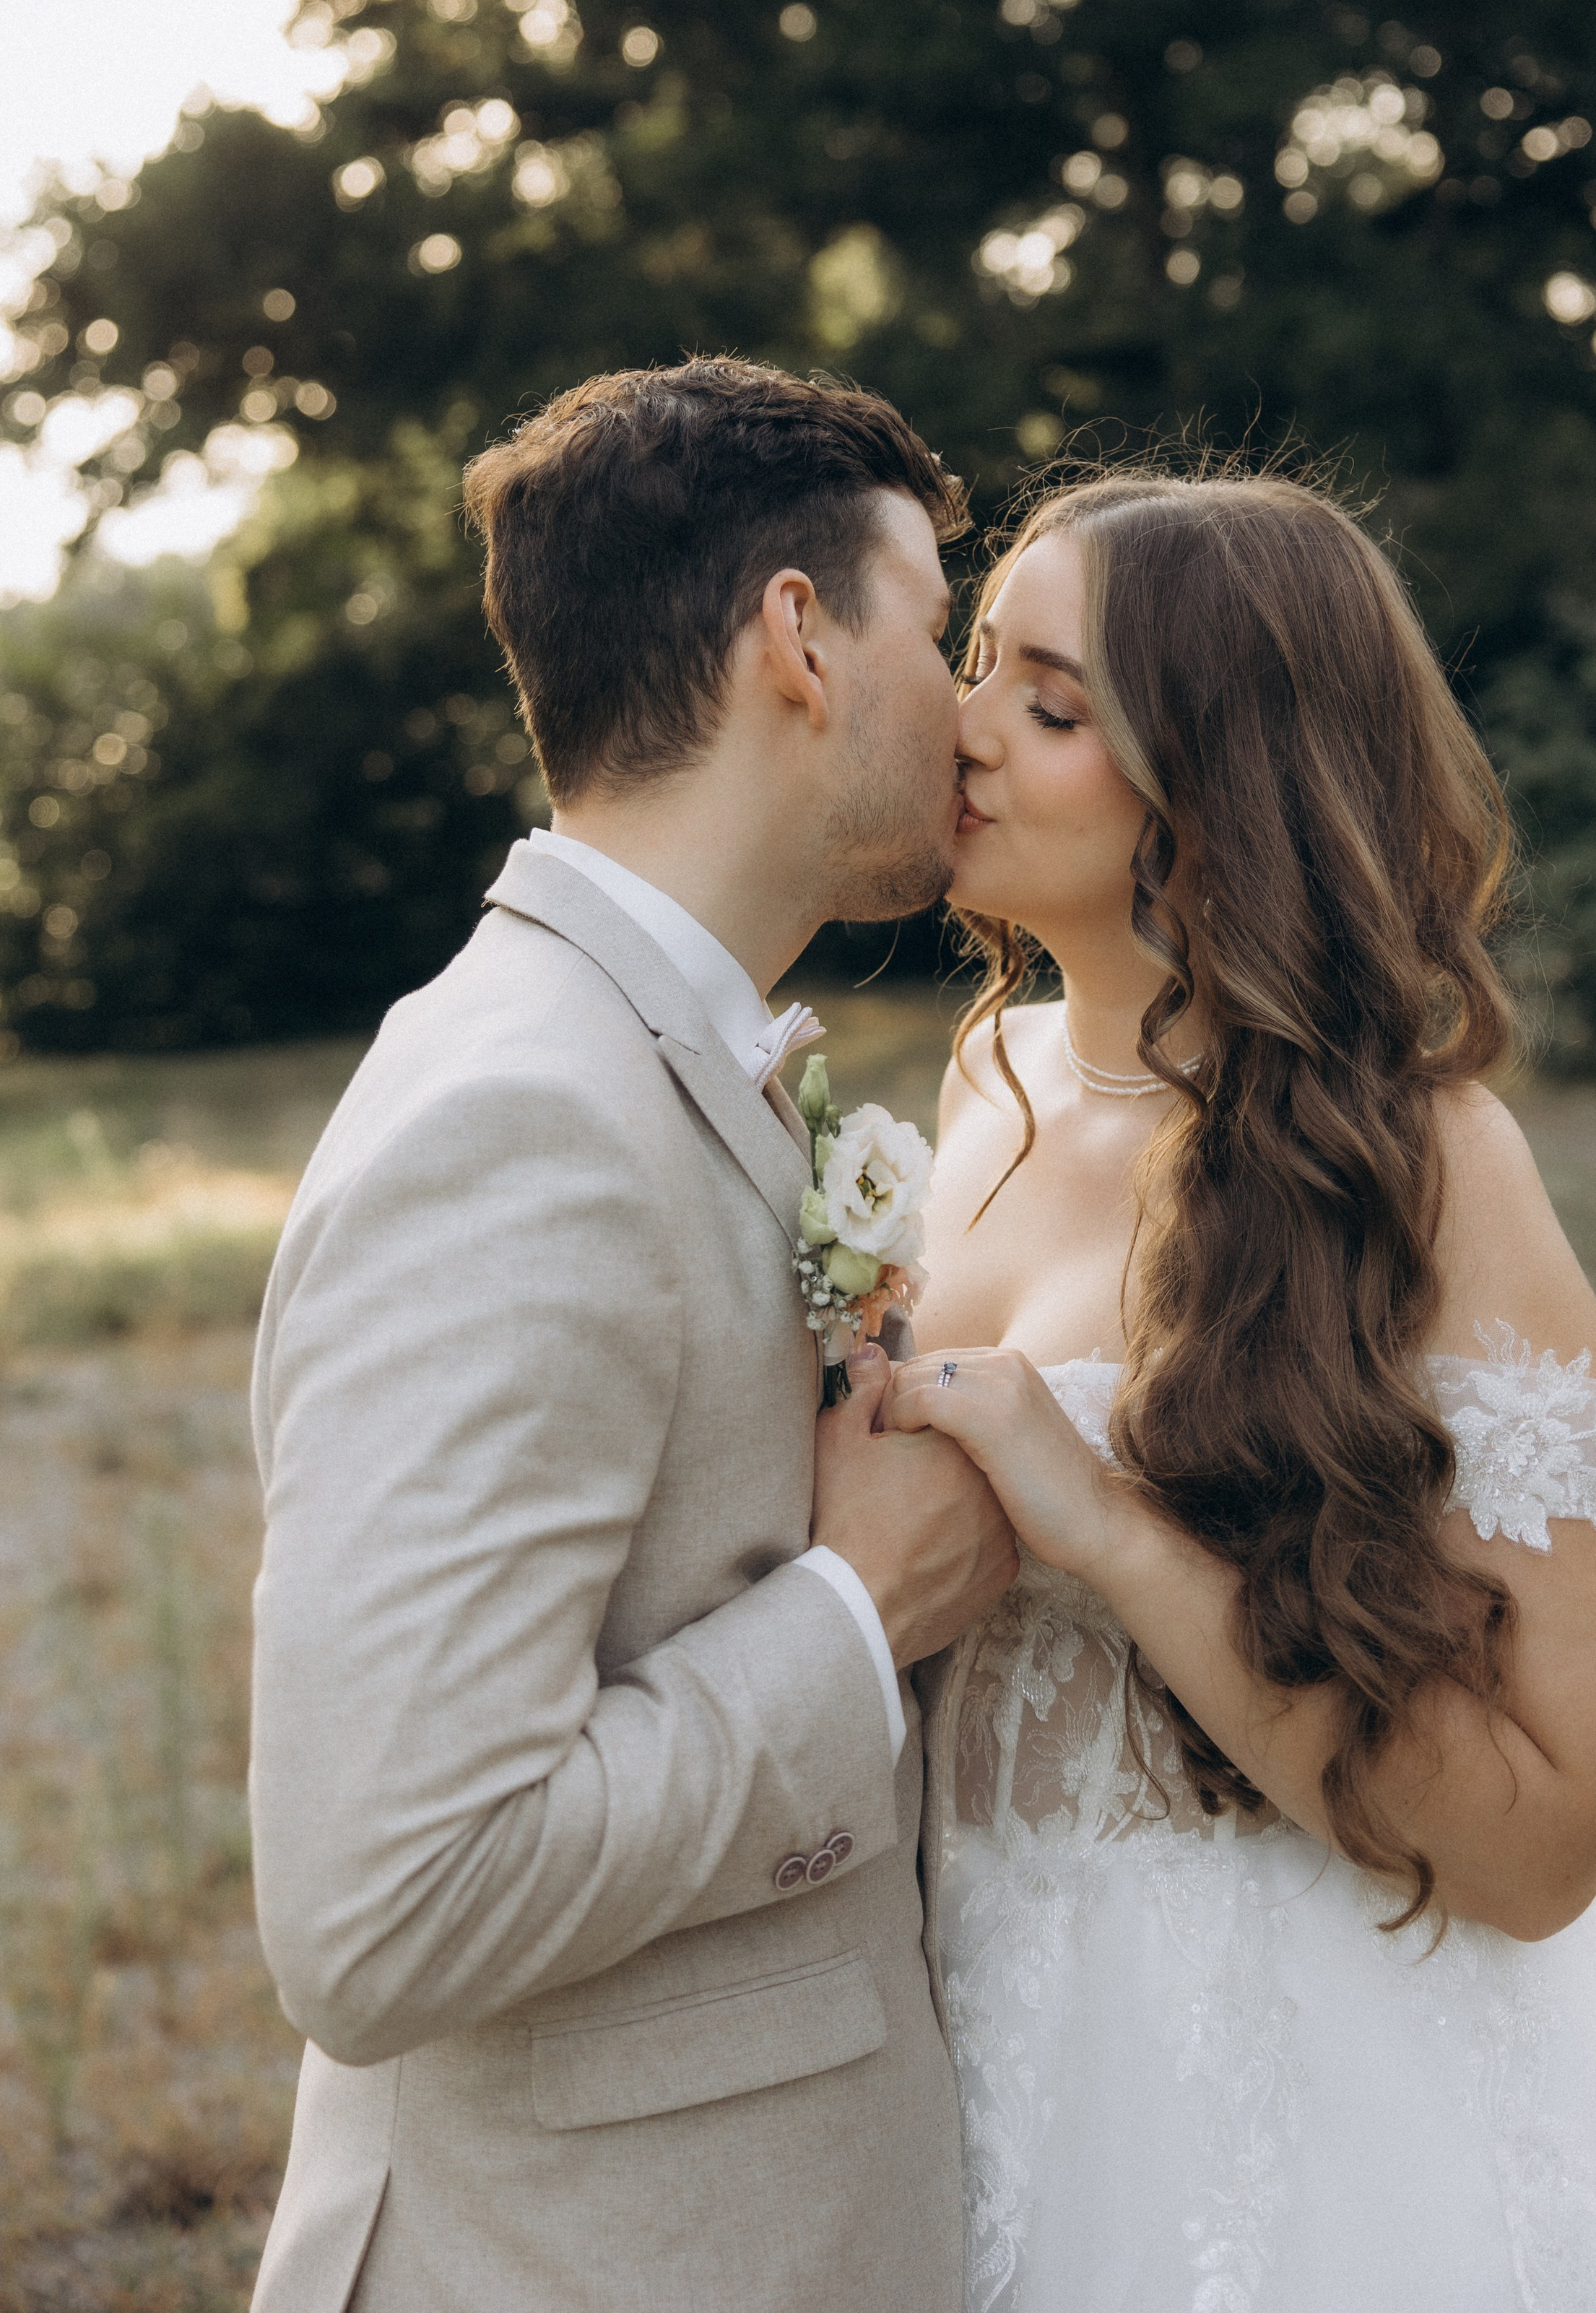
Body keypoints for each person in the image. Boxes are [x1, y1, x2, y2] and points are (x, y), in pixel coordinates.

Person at [852, 464, 1596, 2312]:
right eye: (980, 661)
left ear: (1218, 799)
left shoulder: (1427, 1173)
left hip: (1313, 2099)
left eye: (1048, 706)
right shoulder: (982, 1087)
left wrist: (1116, 1537)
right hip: (971, 2045)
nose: (960, 728)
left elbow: (1544, 1845)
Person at [246, 359, 1018, 2313]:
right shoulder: (521, 1121)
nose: (975, 708)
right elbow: (389, 1906)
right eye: (941, 624)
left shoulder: (668, 1056)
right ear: (801, 642)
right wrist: (856, 1616)